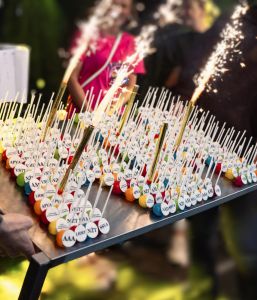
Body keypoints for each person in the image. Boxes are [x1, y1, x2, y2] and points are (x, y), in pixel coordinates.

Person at [67, 0, 145, 112]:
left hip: (111, 118)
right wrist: (89, 113)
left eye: (123, 6)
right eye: (114, 4)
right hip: (80, 112)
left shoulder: (131, 43)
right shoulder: (87, 34)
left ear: (130, 11)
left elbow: (130, 86)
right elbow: (72, 77)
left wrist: (109, 112)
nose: (118, 9)